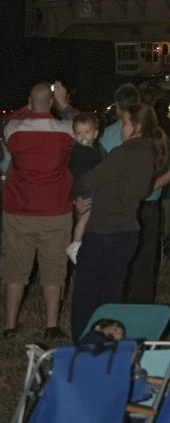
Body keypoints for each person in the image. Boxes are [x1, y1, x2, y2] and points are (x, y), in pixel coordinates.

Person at [71, 103, 170, 341]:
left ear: (135, 126)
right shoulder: (151, 154)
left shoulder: (124, 153)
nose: (121, 128)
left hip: (103, 231)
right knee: (111, 296)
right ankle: (107, 347)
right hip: (127, 234)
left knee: (86, 297)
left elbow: (91, 179)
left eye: (124, 123)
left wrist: (74, 195)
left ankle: (84, 347)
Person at [2, 81, 76, 341]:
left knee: (15, 270)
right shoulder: (65, 131)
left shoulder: (15, 131)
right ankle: (52, 324)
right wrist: (64, 105)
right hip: (55, 211)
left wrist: (28, 106)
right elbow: (86, 129)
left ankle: (10, 325)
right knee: (54, 269)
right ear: (53, 103)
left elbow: (9, 121)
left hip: (18, 210)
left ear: (30, 102)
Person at [99, 84, 170, 302]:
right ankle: (141, 305)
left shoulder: (108, 135)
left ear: (117, 106)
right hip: (146, 206)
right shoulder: (154, 133)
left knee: (119, 259)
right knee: (144, 260)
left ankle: (118, 303)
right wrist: (153, 185)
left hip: (122, 207)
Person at [66, 112, 104, 264]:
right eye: (79, 133)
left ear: (95, 133)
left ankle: (78, 244)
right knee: (85, 217)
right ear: (74, 135)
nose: (83, 136)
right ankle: (75, 244)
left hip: (87, 188)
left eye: (87, 132)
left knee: (86, 219)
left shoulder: (92, 150)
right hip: (86, 189)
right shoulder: (83, 152)